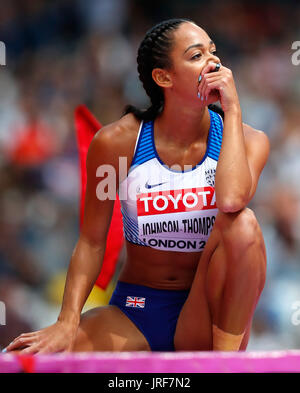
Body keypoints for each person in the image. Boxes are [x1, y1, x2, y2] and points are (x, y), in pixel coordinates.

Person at [4, 18, 269, 353]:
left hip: (208, 315)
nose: (214, 63)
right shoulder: (116, 144)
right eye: (196, 56)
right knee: (31, 359)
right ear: (163, 77)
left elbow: (231, 199)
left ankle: (225, 365)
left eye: (213, 53)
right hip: (137, 311)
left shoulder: (249, 140)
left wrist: (231, 110)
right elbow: (91, 241)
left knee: (244, 225)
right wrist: (67, 321)